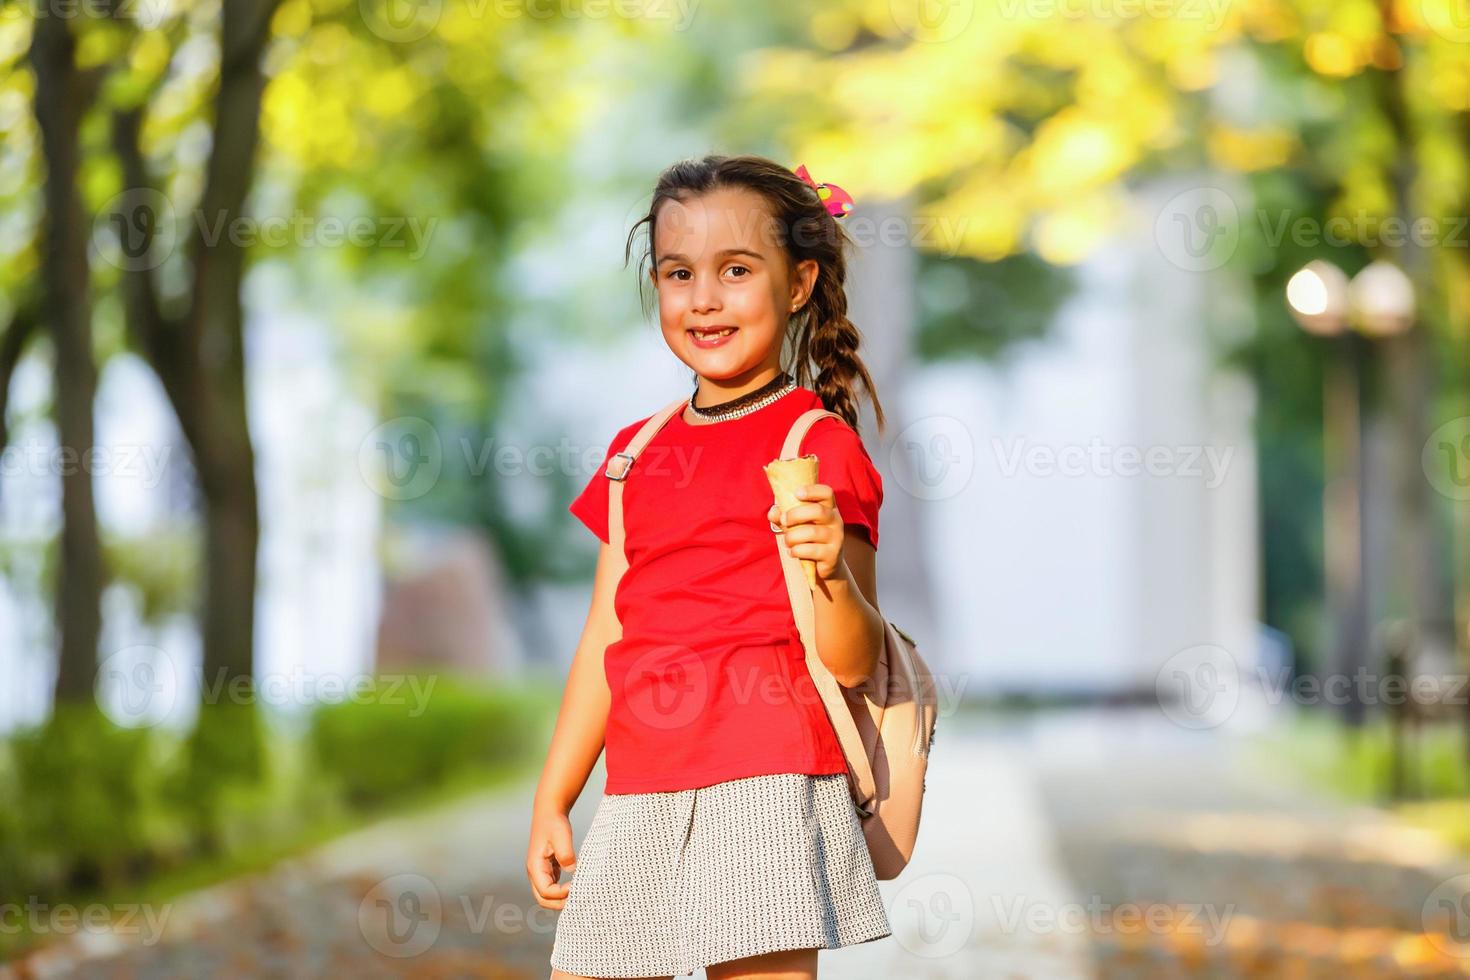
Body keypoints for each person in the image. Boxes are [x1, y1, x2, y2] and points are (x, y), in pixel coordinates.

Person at [526, 154, 892, 980]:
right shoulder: (634, 455)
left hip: (769, 775)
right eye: (678, 272)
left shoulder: (817, 446)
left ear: (798, 285)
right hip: (641, 783)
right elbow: (605, 637)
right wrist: (556, 796)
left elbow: (854, 659)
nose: (703, 298)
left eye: (736, 270)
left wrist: (831, 568)